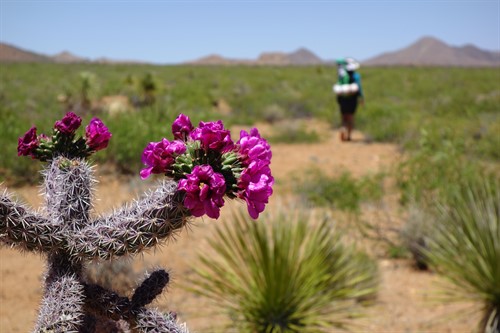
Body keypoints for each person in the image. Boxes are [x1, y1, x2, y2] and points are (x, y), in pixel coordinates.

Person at [333, 58, 364, 141]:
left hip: (343, 100)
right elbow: (359, 88)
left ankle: (343, 128)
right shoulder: (356, 76)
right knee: (351, 117)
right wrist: (361, 98)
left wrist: (338, 99)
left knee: (344, 117)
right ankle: (349, 136)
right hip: (352, 100)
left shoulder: (342, 76)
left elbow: (338, 89)